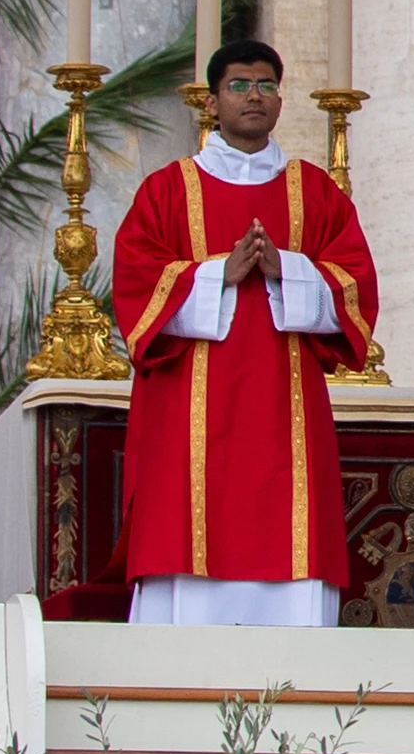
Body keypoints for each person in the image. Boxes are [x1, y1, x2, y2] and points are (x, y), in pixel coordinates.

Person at [109, 41, 383, 628]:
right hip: (188, 411)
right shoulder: (168, 190)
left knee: (292, 538)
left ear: (281, 99)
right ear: (212, 100)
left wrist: (288, 268)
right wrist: (217, 275)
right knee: (188, 542)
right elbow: (135, 285)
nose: (253, 97)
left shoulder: (313, 192)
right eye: (239, 85)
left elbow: (357, 285)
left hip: (288, 417)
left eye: (266, 86)